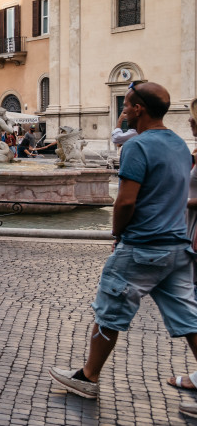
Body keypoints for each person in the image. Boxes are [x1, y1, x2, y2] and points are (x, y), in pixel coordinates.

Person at [49, 82, 197, 411]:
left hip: (143, 246)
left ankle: (87, 378)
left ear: (139, 109)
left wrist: (118, 232)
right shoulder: (179, 145)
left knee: (108, 311)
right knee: (190, 319)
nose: (124, 111)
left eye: (127, 105)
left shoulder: (137, 147)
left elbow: (126, 201)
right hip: (177, 247)